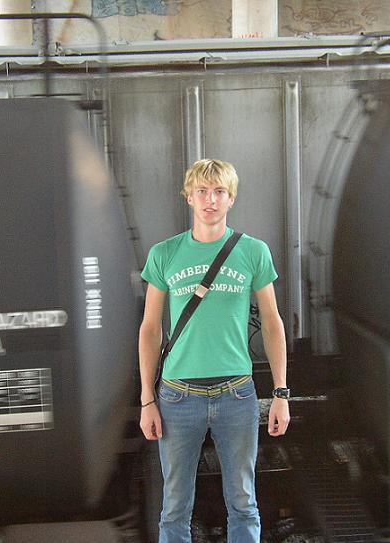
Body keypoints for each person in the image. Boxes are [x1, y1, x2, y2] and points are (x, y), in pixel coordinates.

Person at [138, 158, 290, 542]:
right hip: (177, 397)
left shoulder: (253, 251)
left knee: (243, 502)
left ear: (231, 198)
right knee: (174, 507)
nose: (211, 199)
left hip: (236, 394)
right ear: (188, 197)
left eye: (220, 192)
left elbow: (272, 323)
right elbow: (150, 328)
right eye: (202, 191)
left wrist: (281, 393)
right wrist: (146, 400)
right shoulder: (164, 254)